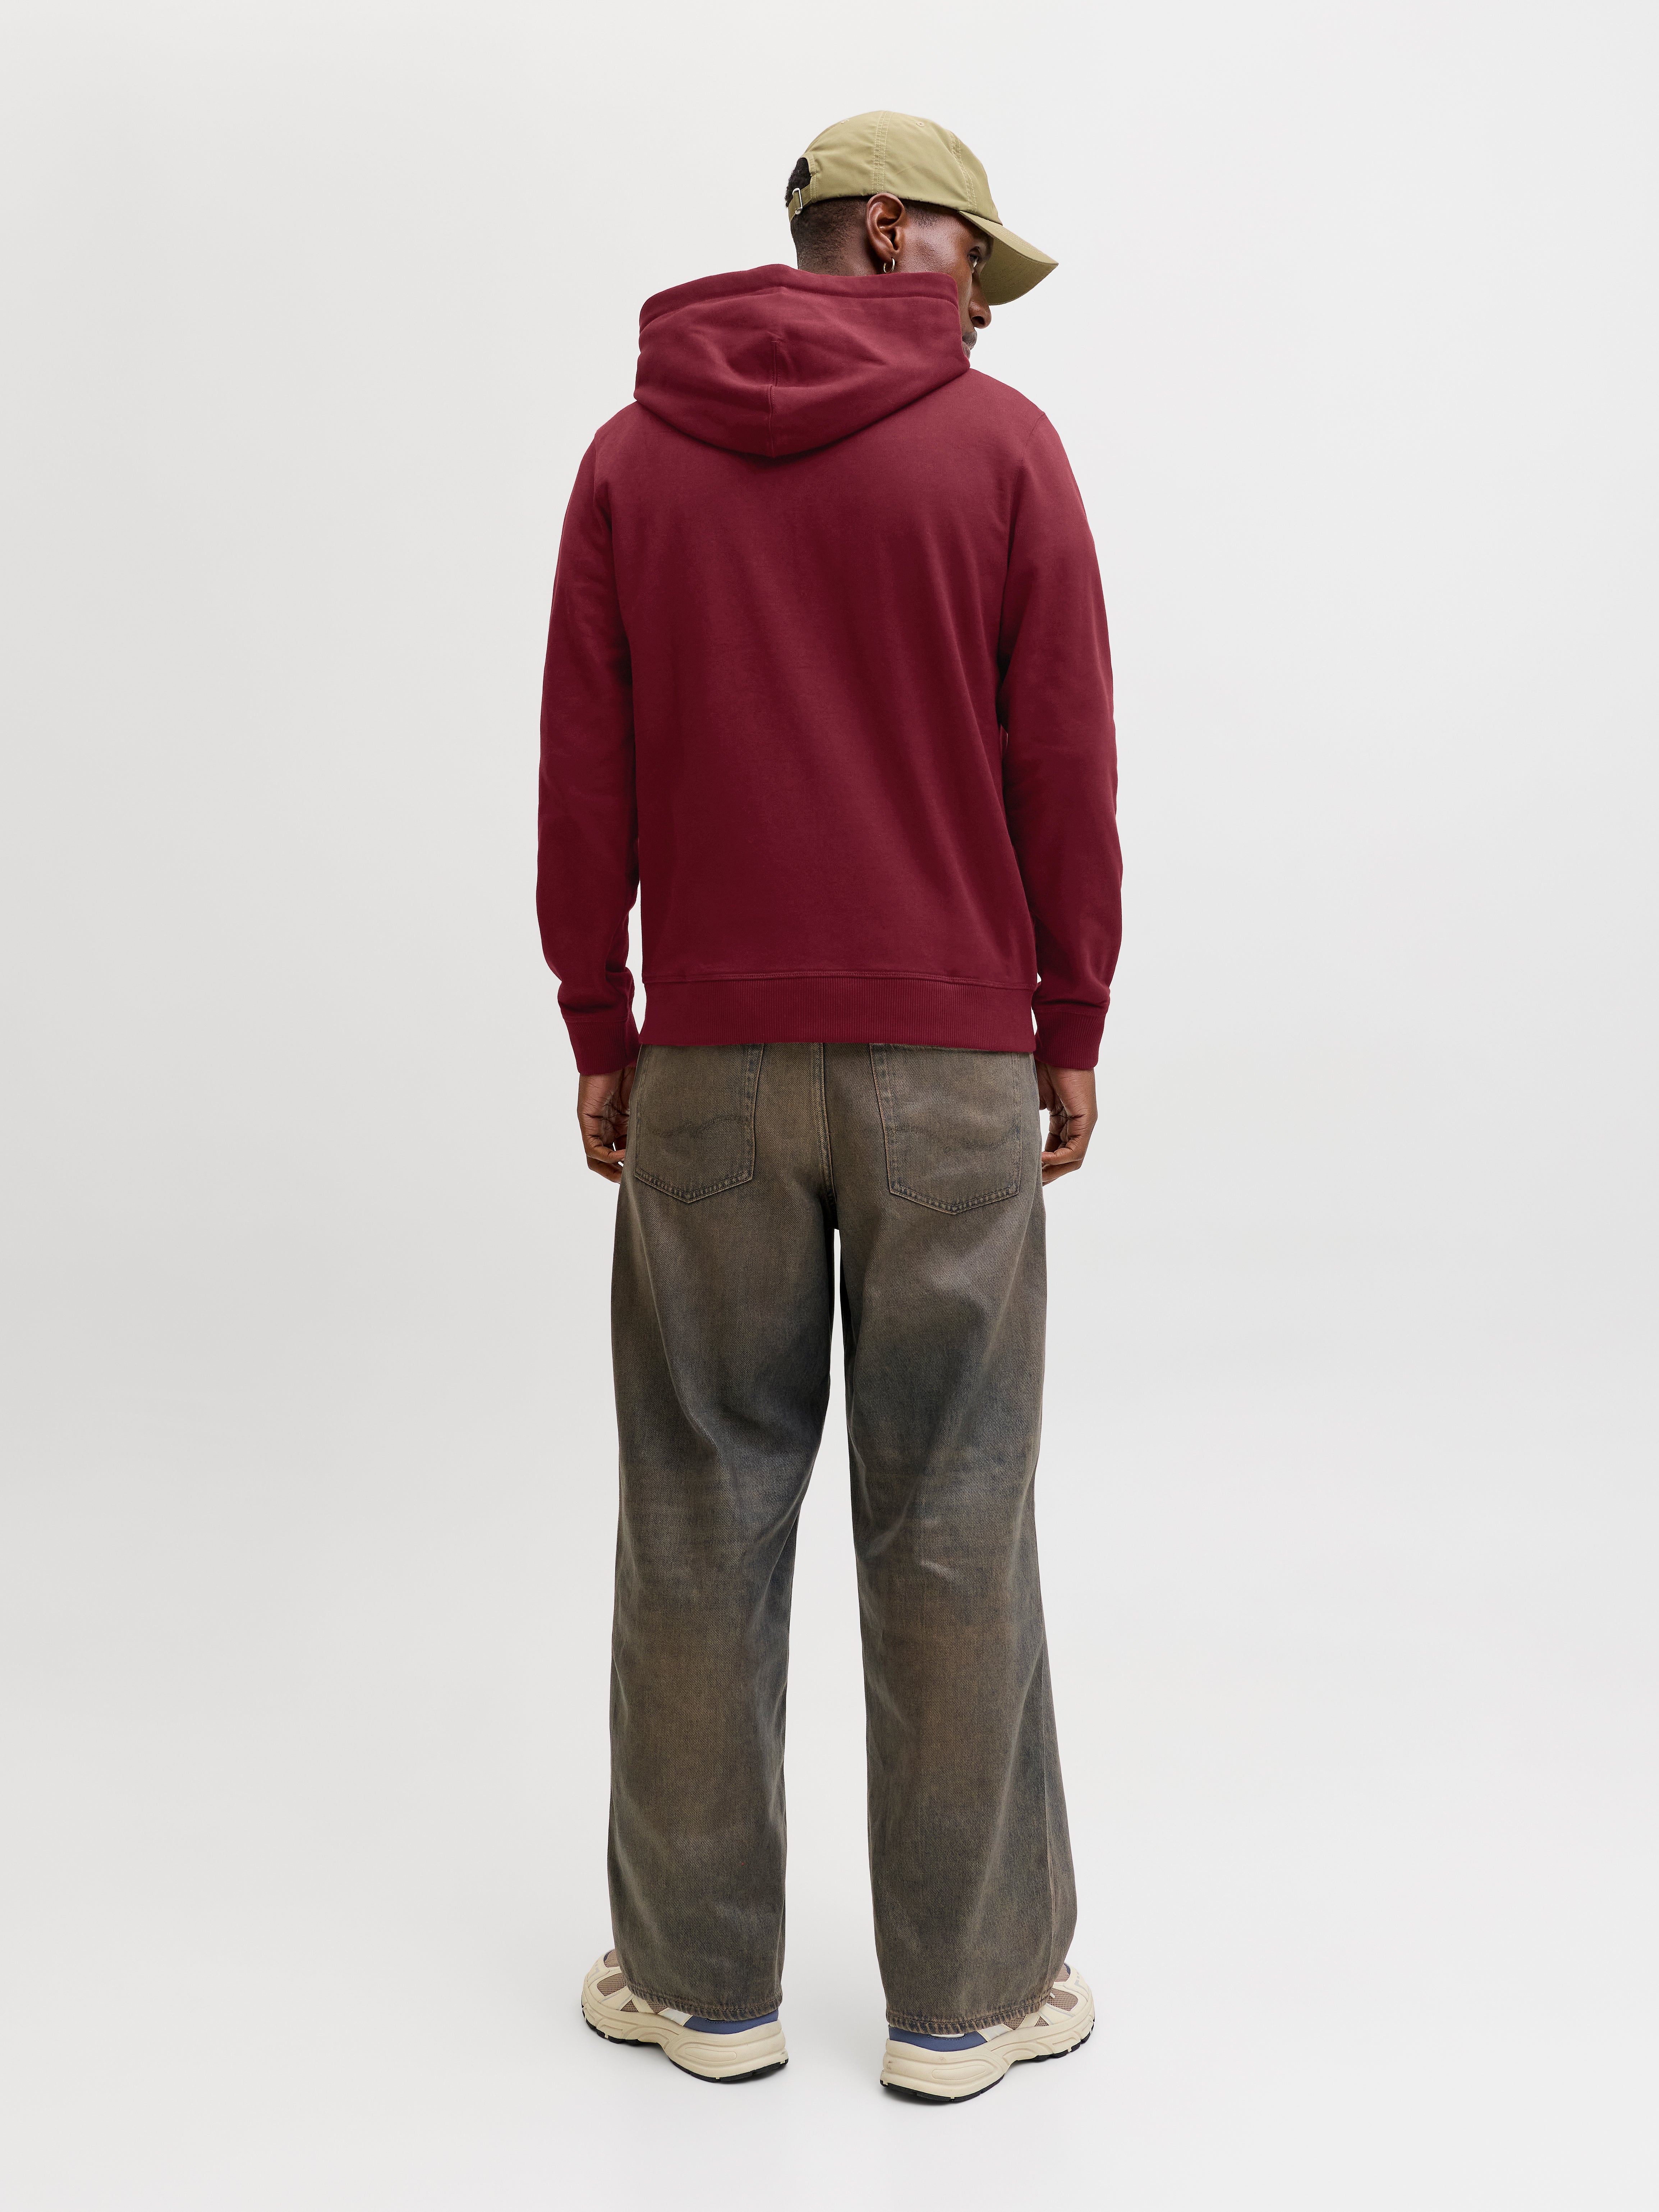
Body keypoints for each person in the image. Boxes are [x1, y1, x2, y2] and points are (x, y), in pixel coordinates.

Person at [538, 109, 1121, 2101]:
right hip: (949, 1064)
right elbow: (1064, 756)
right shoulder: (1002, 454)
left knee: (698, 1501)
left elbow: (584, 769)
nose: (986, 303)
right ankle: (969, 2003)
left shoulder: (631, 461)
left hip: (705, 1065)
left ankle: (700, 1990)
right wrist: (1068, 1013)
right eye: (972, 257)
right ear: (888, 228)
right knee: (953, 1503)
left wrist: (601, 1021)